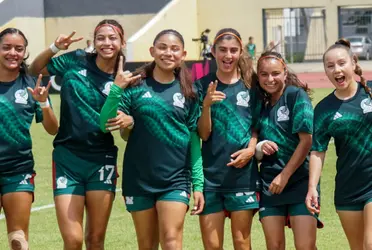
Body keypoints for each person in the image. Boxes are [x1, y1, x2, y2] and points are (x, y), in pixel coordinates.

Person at [28, 20, 132, 250]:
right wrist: (54, 47)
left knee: (95, 240)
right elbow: (34, 69)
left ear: (122, 42)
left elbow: (125, 133)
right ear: (92, 42)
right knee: (73, 240)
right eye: (101, 38)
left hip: (101, 159)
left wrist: (129, 121)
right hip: (67, 158)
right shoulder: (75, 59)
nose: (107, 42)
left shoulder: (124, 79)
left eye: (113, 38)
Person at [99, 29, 204, 250]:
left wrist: (198, 184)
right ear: (152, 51)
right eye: (163, 47)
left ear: (183, 54)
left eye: (175, 49)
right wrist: (117, 89)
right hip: (139, 179)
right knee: (146, 245)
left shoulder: (190, 92)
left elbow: (194, 141)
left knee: (172, 242)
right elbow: (104, 123)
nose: (168, 53)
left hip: (175, 180)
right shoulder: (135, 87)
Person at [197, 28, 260, 250]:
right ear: (213, 52)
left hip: (243, 177)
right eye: (222, 50)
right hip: (211, 177)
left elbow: (257, 127)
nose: (228, 55)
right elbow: (203, 134)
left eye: (233, 50)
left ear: (240, 51)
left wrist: (251, 149)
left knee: (242, 244)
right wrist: (206, 106)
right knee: (212, 246)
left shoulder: (251, 86)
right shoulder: (202, 85)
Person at [306, 39, 372, 250]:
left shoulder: (369, 91)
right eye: (330, 66)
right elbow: (317, 150)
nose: (337, 70)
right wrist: (312, 188)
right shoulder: (324, 109)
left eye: (342, 63)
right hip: (347, 188)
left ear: (354, 63)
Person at [255, 50, 321, 250]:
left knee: (305, 246)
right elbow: (252, 138)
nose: (270, 79)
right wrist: (260, 147)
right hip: (269, 185)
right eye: (264, 74)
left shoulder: (295, 96)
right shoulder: (261, 103)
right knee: (274, 246)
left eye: (275, 73)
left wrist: (284, 176)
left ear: (285, 72)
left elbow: (306, 141)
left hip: (299, 182)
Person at [0, 28, 58, 250]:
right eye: (6, 47)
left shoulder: (32, 84)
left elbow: (53, 129)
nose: (12, 53)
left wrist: (43, 102)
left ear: (24, 53)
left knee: (19, 239)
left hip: (18, 169)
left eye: (18, 48)